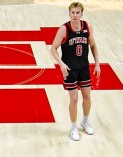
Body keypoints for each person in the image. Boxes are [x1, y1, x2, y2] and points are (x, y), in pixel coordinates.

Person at [50, 2, 101, 142]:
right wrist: (61, 64)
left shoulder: (87, 27)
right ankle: (73, 128)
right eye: (72, 12)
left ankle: (84, 122)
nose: (75, 15)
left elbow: (93, 46)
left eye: (77, 12)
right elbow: (53, 48)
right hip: (70, 69)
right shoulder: (64, 29)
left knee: (87, 97)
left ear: (82, 14)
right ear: (69, 13)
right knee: (74, 98)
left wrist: (97, 64)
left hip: (84, 67)